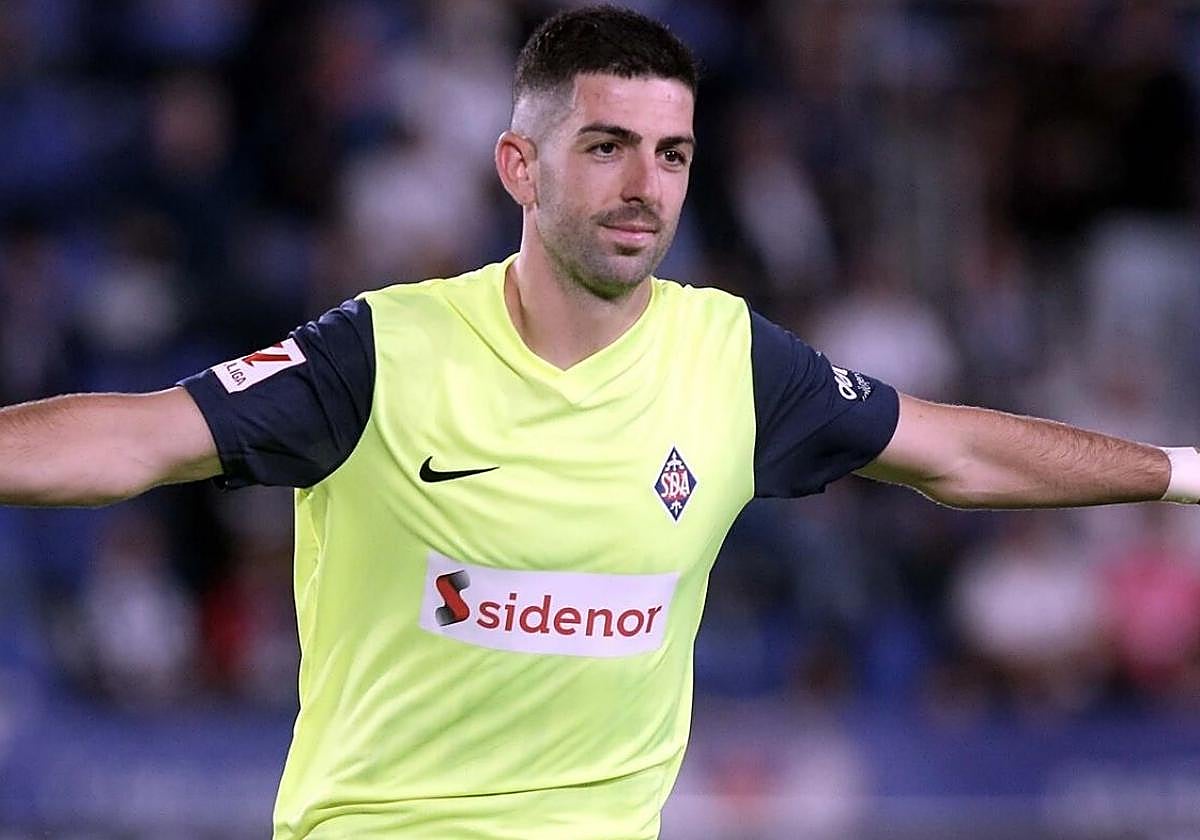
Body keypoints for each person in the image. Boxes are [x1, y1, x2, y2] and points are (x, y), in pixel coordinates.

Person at [2, 5, 1197, 839]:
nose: (646, 187)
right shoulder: (382, 349)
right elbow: (135, 436)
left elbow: (955, 453)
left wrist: (1187, 471)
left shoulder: (730, 359)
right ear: (520, 165)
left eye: (672, 154)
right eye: (609, 147)